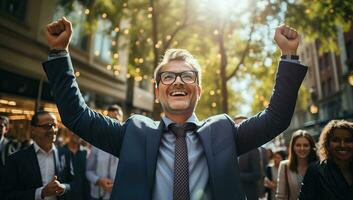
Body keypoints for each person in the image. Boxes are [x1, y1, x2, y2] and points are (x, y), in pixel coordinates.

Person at [42, 16, 307, 200]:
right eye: (168, 76)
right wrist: (59, 53)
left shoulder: (225, 131)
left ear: (199, 90)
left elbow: (275, 119)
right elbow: (76, 116)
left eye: (187, 76)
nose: (178, 81)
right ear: (157, 92)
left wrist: (289, 56)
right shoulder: (132, 132)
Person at [2, 111, 74, 200]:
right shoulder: (16, 159)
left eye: (54, 125)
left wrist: (63, 187)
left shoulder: (65, 154)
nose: (52, 130)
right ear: (33, 130)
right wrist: (41, 193)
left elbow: (72, 183)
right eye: (46, 126)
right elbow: (7, 195)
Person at [299, 120, 353, 200]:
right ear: (327, 143)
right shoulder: (315, 170)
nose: (342, 145)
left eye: (348, 140)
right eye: (336, 140)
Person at [86, 105, 121, 200]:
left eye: (116, 119)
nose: (113, 122)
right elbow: (88, 171)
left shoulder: (127, 145)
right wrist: (99, 181)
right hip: (97, 196)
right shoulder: (96, 143)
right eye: (109, 119)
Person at [276, 130, 317, 200]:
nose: (302, 148)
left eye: (306, 145)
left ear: (311, 147)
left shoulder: (318, 166)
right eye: (298, 145)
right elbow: (280, 196)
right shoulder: (284, 166)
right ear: (293, 147)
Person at [234, 116, 262, 200]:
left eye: (242, 124)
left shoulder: (253, 148)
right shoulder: (229, 148)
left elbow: (257, 175)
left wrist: (236, 175)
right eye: (236, 125)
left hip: (249, 194)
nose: (239, 128)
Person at [64, 130, 90, 200]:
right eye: (73, 130)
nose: (77, 134)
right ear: (68, 132)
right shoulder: (61, 152)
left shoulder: (86, 153)